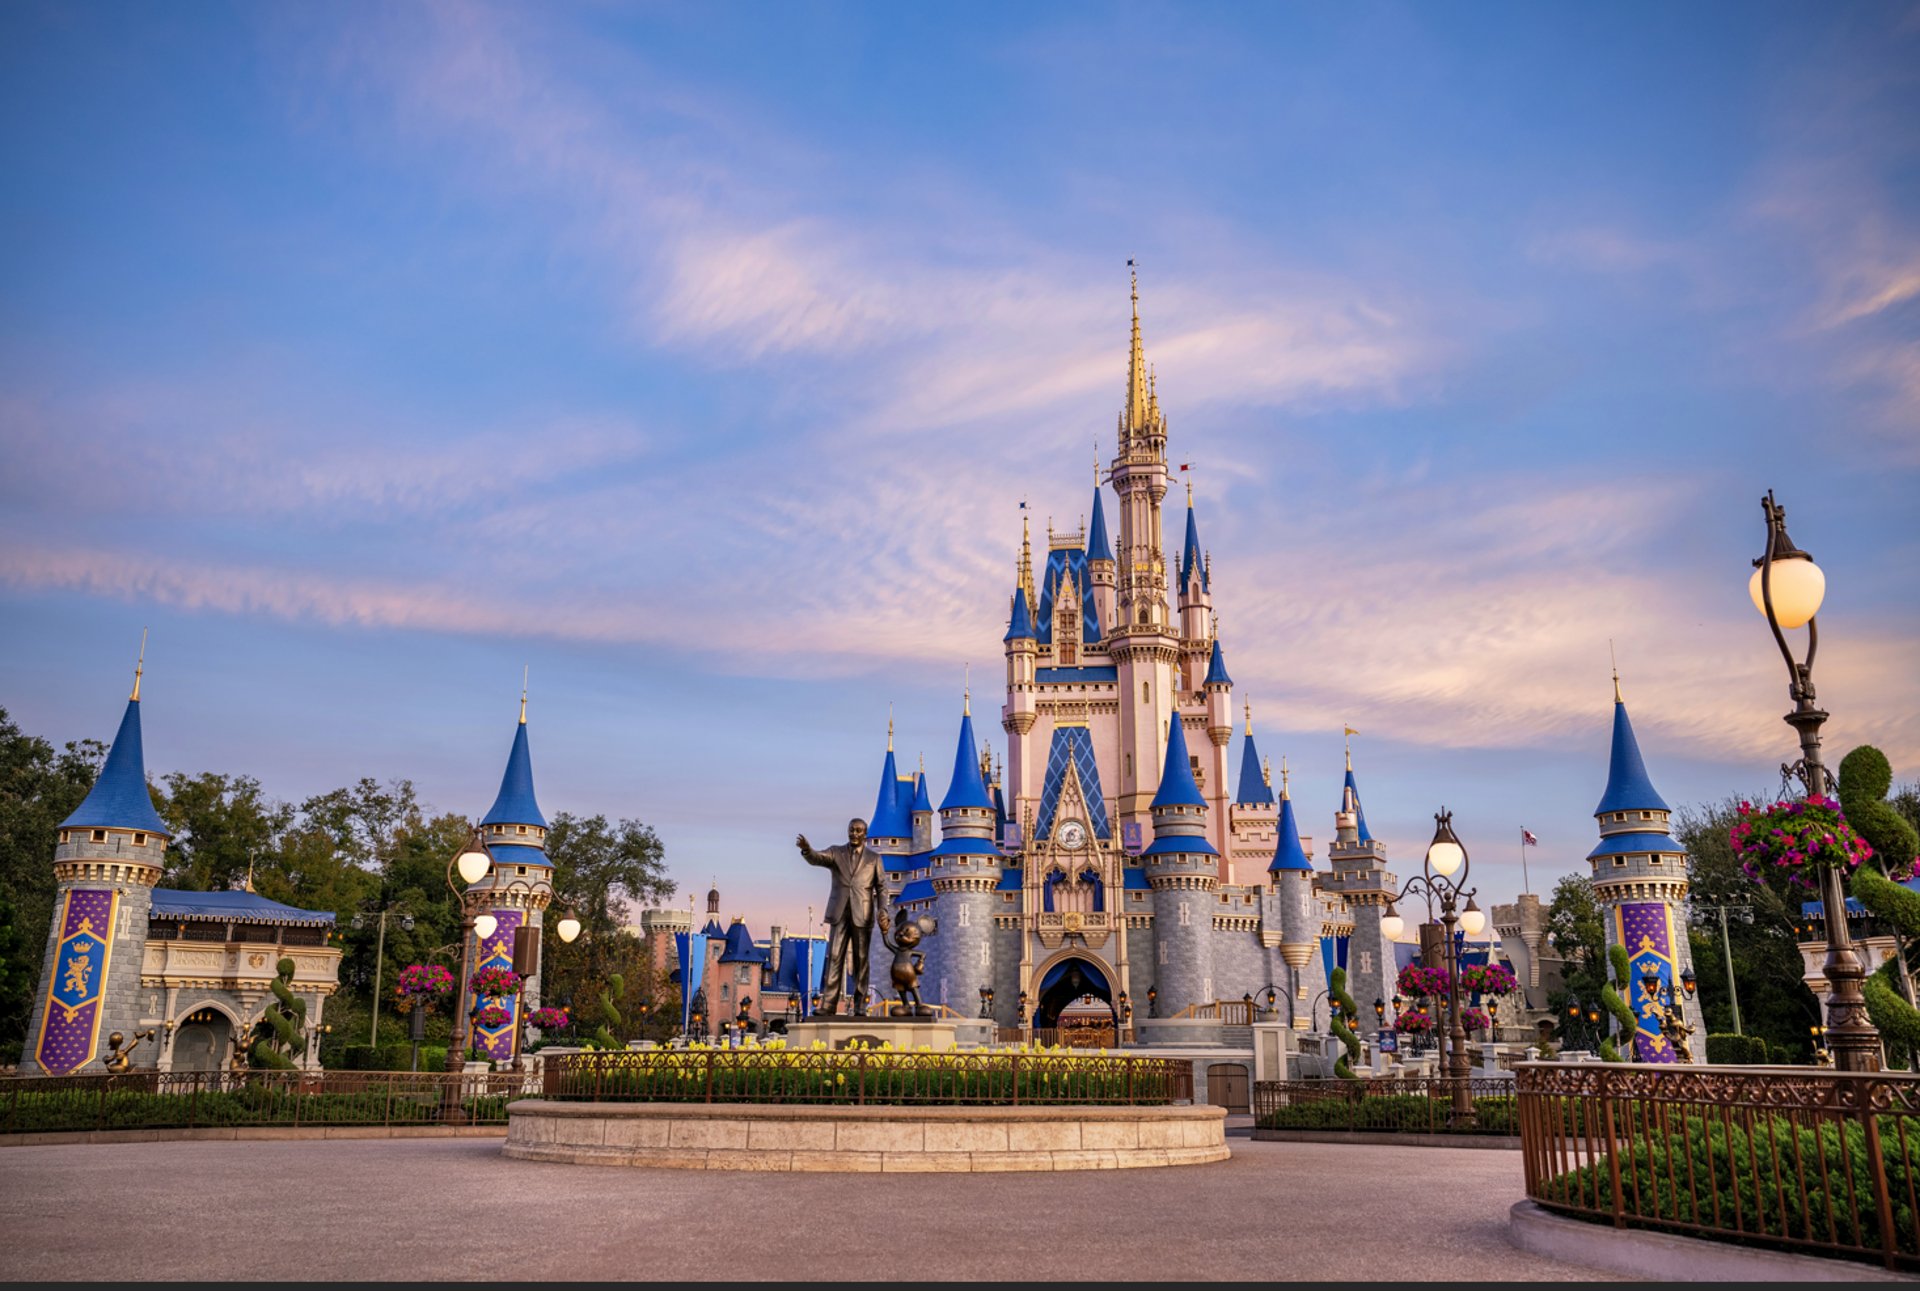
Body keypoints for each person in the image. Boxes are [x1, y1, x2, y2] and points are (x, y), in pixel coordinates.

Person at [796, 818, 888, 1017]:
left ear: (865, 834)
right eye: (851, 830)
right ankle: (828, 1004)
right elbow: (817, 858)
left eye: (858, 831)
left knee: (861, 960)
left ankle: (860, 1005)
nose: (854, 834)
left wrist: (883, 910)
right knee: (834, 957)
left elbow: (881, 888)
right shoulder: (836, 853)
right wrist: (807, 850)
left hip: (862, 914)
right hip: (839, 913)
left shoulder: (874, 859)